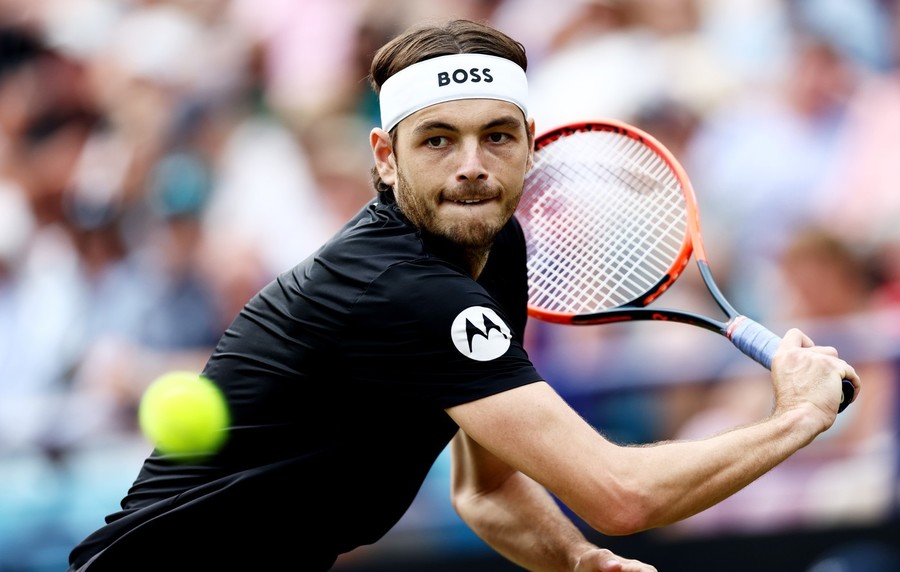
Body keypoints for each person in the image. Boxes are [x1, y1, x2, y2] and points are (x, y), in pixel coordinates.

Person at [67, 18, 859, 572]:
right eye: (438, 139)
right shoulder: (401, 287)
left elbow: (488, 488)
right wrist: (797, 417)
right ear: (384, 156)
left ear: (527, 144)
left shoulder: (492, 248)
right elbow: (621, 495)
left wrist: (575, 558)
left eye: (498, 136)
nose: (472, 165)